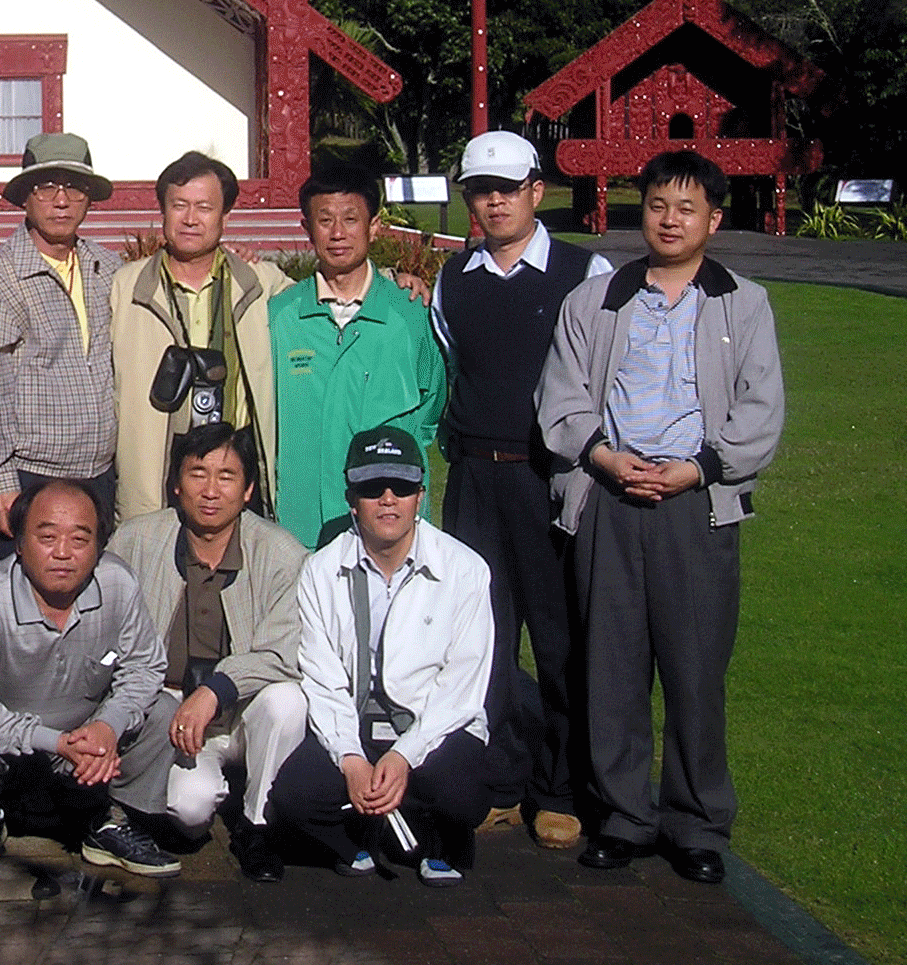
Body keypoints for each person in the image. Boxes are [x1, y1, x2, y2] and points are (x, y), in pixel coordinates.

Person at [536, 150, 784, 886]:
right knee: (609, 668)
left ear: (713, 219)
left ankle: (696, 822)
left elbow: (761, 409)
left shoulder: (743, 302)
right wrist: (606, 459)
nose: (669, 219)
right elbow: (562, 398)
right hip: (610, 498)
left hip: (694, 505)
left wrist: (699, 467)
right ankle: (623, 815)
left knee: (695, 669)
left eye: (686, 208)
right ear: (636, 210)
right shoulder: (598, 298)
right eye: (655, 204)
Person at [431, 130, 611, 849]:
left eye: (508, 186)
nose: (494, 200)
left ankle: (559, 786)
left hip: (553, 476)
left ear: (538, 189)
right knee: (485, 639)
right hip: (475, 475)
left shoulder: (584, 270)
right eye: (481, 189)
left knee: (562, 637)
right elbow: (452, 368)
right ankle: (502, 782)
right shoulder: (454, 278)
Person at [269, 428, 493, 886]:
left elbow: (463, 689)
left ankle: (436, 838)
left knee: (463, 794)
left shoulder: (466, 569)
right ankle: (358, 838)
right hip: (357, 726)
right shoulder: (320, 571)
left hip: (433, 729)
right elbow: (322, 677)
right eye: (372, 489)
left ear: (420, 496)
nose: (388, 499)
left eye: (402, 487)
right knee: (294, 797)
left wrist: (404, 756)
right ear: (352, 498)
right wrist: (350, 757)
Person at [0, 479, 180, 878]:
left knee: (163, 711)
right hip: (14, 748)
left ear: (99, 547)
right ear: (19, 543)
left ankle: (110, 820)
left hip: (89, 743)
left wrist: (109, 725)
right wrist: (54, 742)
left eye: (80, 539)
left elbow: (144, 666)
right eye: (47, 537)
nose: (63, 553)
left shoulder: (118, 583)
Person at [108, 421, 307, 881]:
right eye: (198, 474)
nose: (211, 490)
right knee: (189, 813)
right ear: (176, 485)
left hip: (243, 707)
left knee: (288, 702)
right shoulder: (135, 542)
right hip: (171, 710)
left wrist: (218, 689)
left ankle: (258, 824)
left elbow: (283, 653)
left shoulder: (282, 554)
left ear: (249, 488)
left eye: (227, 476)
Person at [268, 163, 446, 549]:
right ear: (306, 228)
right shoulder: (280, 317)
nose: (337, 234)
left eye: (350, 219)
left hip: (389, 519)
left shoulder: (410, 313)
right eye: (325, 220)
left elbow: (432, 408)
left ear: (375, 225)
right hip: (301, 522)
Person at [109, 152, 292, 526]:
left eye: (205, 208)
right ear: (162, 212)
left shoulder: (262, 284)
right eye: (179, 206)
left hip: (235, 458)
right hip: (156, 463)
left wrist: (400, 280)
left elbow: (332, 301)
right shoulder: (123, 287)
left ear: (225, 217)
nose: (190, 219)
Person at [0, 132, 122, 535]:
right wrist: (4, 482)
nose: (61, 200)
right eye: (46, 187)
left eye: (74, 187)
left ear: (89, 197)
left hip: (101, 473)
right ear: (26, 197)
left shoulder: (108, 268)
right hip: (34, 475)